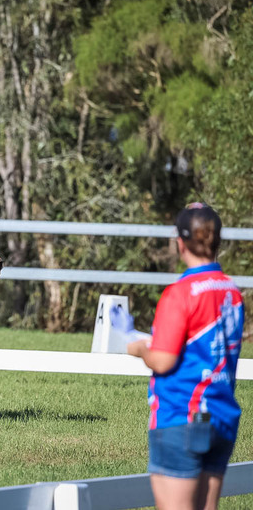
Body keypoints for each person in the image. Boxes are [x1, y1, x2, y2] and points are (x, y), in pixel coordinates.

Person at [111, 203, 244, 510]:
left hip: (181, 418)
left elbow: (163, 360)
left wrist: (136, 345)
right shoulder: (232, 292)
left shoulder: (180, 293)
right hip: (222, 419)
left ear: (180, 242)